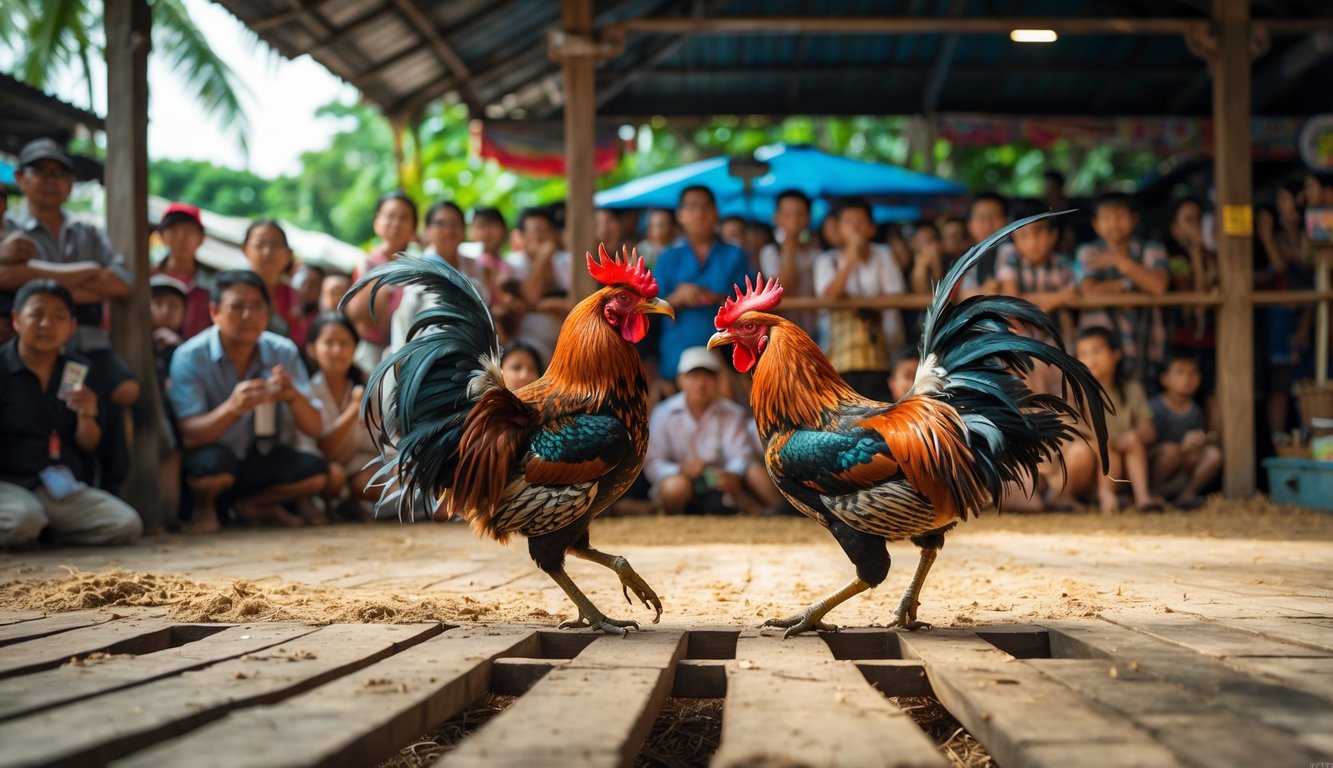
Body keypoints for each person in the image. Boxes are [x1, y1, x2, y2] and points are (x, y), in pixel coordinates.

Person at [0, 138, 139, 494]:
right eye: (40, 171)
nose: (50, 179)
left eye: (60, 172)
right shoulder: (10, 230)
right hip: (31, 350)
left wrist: (37, 278)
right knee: (49, 411)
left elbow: (120, 283)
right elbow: (6, 277)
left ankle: (110, 485)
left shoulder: (89, 230)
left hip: (86, 345)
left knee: (119, 392)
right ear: (20, 177)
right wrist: (87, 272)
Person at [168, 270, 329, 533]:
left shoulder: (282, 351)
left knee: (316, 472)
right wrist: (232, 408)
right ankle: (205, 508)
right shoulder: (190, 356)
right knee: (211, 466)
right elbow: (190, 433)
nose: (248, 316)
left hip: (261, 454)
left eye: (257, 307)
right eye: (237, 307)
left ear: (268, 314)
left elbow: (315, 427)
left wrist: (292, 396)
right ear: (214, 312)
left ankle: (252, 505)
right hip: (214, 456)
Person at [0, 280, 141, 547]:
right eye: (36, 314)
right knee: (22, 520)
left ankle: (45, 531)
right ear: (17, 320)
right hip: (8, 484)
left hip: (56, 486)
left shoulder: (76, 370)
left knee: (125, 524)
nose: (46, 324)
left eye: (58, 316)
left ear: (72, 326)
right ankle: (37, 529)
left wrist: (86, 415)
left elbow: (88, 444)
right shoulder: (2, 369)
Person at [643, 347, 776, 515]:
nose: (701, 383)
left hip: (724, 485)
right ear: (680, 380)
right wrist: (680, 470)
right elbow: (653, 463)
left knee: (754, 472)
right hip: (682, 483)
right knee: (676, 487)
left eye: (708, 375)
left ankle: (782, 512)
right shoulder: (663, 413)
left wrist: (731, 474)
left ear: (717, 380)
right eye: (694, 375)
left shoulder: (733, 413)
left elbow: (741, 455)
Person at [654, 186, 753, 383]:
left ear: (716, 213)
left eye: (705, 207)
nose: (699, 213)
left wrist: (718, 299)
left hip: (728, 359)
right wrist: (678, 297)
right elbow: (651, 310)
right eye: (691, 207)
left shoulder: (735, 255)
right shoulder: (667, 258)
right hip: (676, 359)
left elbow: (750, 304)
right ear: (680, 215)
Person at [813, 197, 906, 401]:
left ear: (872, 228)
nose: (855, 227)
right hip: (839, 352)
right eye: (849, 222)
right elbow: (829, 297)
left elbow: (895, 295)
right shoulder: (826, 259)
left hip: (881, 348)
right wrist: (849, 262)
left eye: (861, 221)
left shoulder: (884, 254)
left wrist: (851, 301)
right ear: (837, 229)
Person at [1076, 193, 1170, 385]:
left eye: (1120, 217)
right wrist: (1127, 284)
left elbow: (1158, 286)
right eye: (1107, 218)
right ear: (1096, 224)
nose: (1114, 224)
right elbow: (1087, 291)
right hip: (1100, 356)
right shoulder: (1089, 252)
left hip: (1147, 346)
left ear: (1134, 220)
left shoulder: (1153, 249)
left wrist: (1119, 261)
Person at [994, 199, 1080, 394]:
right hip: (1019, 347)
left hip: (1059, 347)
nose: (1032, 242)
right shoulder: (1009, 257)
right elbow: (1013, 308)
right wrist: (1057, 298)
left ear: (1052, 235)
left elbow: (1074, 296)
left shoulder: (1062, 263)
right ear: (1014, 237)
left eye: (1039, 233)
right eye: (1023, 235)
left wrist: (1031, 302)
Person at [301, 312, 378, 520]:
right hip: (323, 472)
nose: (337, 350)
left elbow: (378, 443)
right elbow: (322, 450)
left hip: (359, 467)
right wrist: (354, 409)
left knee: (377, 480)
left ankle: (350, 504)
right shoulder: (307, 392)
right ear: (312, 349)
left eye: (345, 342)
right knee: (333, 475)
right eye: (329, 343)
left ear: (355, 347)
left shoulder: (368, 387)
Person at [1075, 327, 1160, 514]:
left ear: (1115, 355)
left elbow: (1149, 430)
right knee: (1102, 446)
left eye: (1096, 351)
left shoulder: (1133, 389)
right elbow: (1076, 430)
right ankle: (1105, 494)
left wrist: (1133, 436)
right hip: (1092, 462)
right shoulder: (1076, 391)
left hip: (1125, 461)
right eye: (1083, 354)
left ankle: (1143, 498)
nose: (1090, 360)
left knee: (1134, 442)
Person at [344, 192, 419, 371]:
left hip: (412, 356)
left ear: (413, 227)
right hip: (373, 359)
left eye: (403, 217)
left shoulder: (419, 265)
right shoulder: (366, 263)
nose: (396, 223)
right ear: (377, 222)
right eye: (390, 216)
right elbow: (356, 315)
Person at [1149, 351, 1221, 509]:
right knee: (1170, 451)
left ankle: (1186, 495)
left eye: (1193, 373)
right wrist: (1181, 448)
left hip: (1183, 468)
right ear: (1164, 378)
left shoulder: (1196, 411)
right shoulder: (1155, 407)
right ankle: (1152, 493)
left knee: (1213, 454)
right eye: (1180, 372)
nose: (1187, 379)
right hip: (1158, 467)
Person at [758, 190, 820, 339]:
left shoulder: (816, 254)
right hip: (781, 333)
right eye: (787, 214)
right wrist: (790, 249)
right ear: (777, 217)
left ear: (808, 218)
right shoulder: (769, 252)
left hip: (812, 331)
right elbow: (784, 290)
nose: (794, 219)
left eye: (799, 214)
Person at [153, 202, 215, 339]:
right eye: (174, 229)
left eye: (189, 230)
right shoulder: (147, 278)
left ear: (201, 238)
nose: (182, 237)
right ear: (161, 236)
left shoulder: (213, 284)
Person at [961, 192, 1009, 294]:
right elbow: (963, 294)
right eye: (981, 217)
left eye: (995, 216)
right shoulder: (965, 259)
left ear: (1007, 221)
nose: (988, 225)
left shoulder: (1016, 251)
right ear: (970, 224)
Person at [149, 273, 189, 389]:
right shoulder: (133, 344)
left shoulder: (191, 350)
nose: (166, 311)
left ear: (185, 313)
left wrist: (178, 346)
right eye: (158, 303)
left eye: (174, 305)